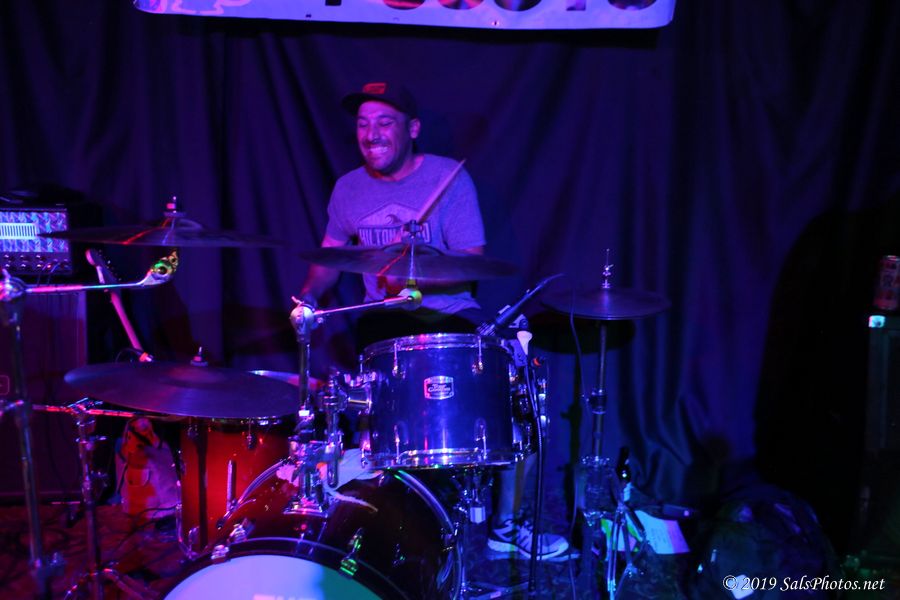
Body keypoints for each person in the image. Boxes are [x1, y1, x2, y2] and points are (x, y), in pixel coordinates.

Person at [298, 80, 568, 560]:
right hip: (382, 323)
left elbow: (472, 261)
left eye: (385, 122)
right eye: (363, 124)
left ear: (413, 129)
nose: (372, 134)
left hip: (451, 316)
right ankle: (378, 521)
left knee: (518, 389)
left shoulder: (449, 178)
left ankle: (506, 527)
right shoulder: (348, 189)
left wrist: (418, 268)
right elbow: (331, 257)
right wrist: (308, 298)